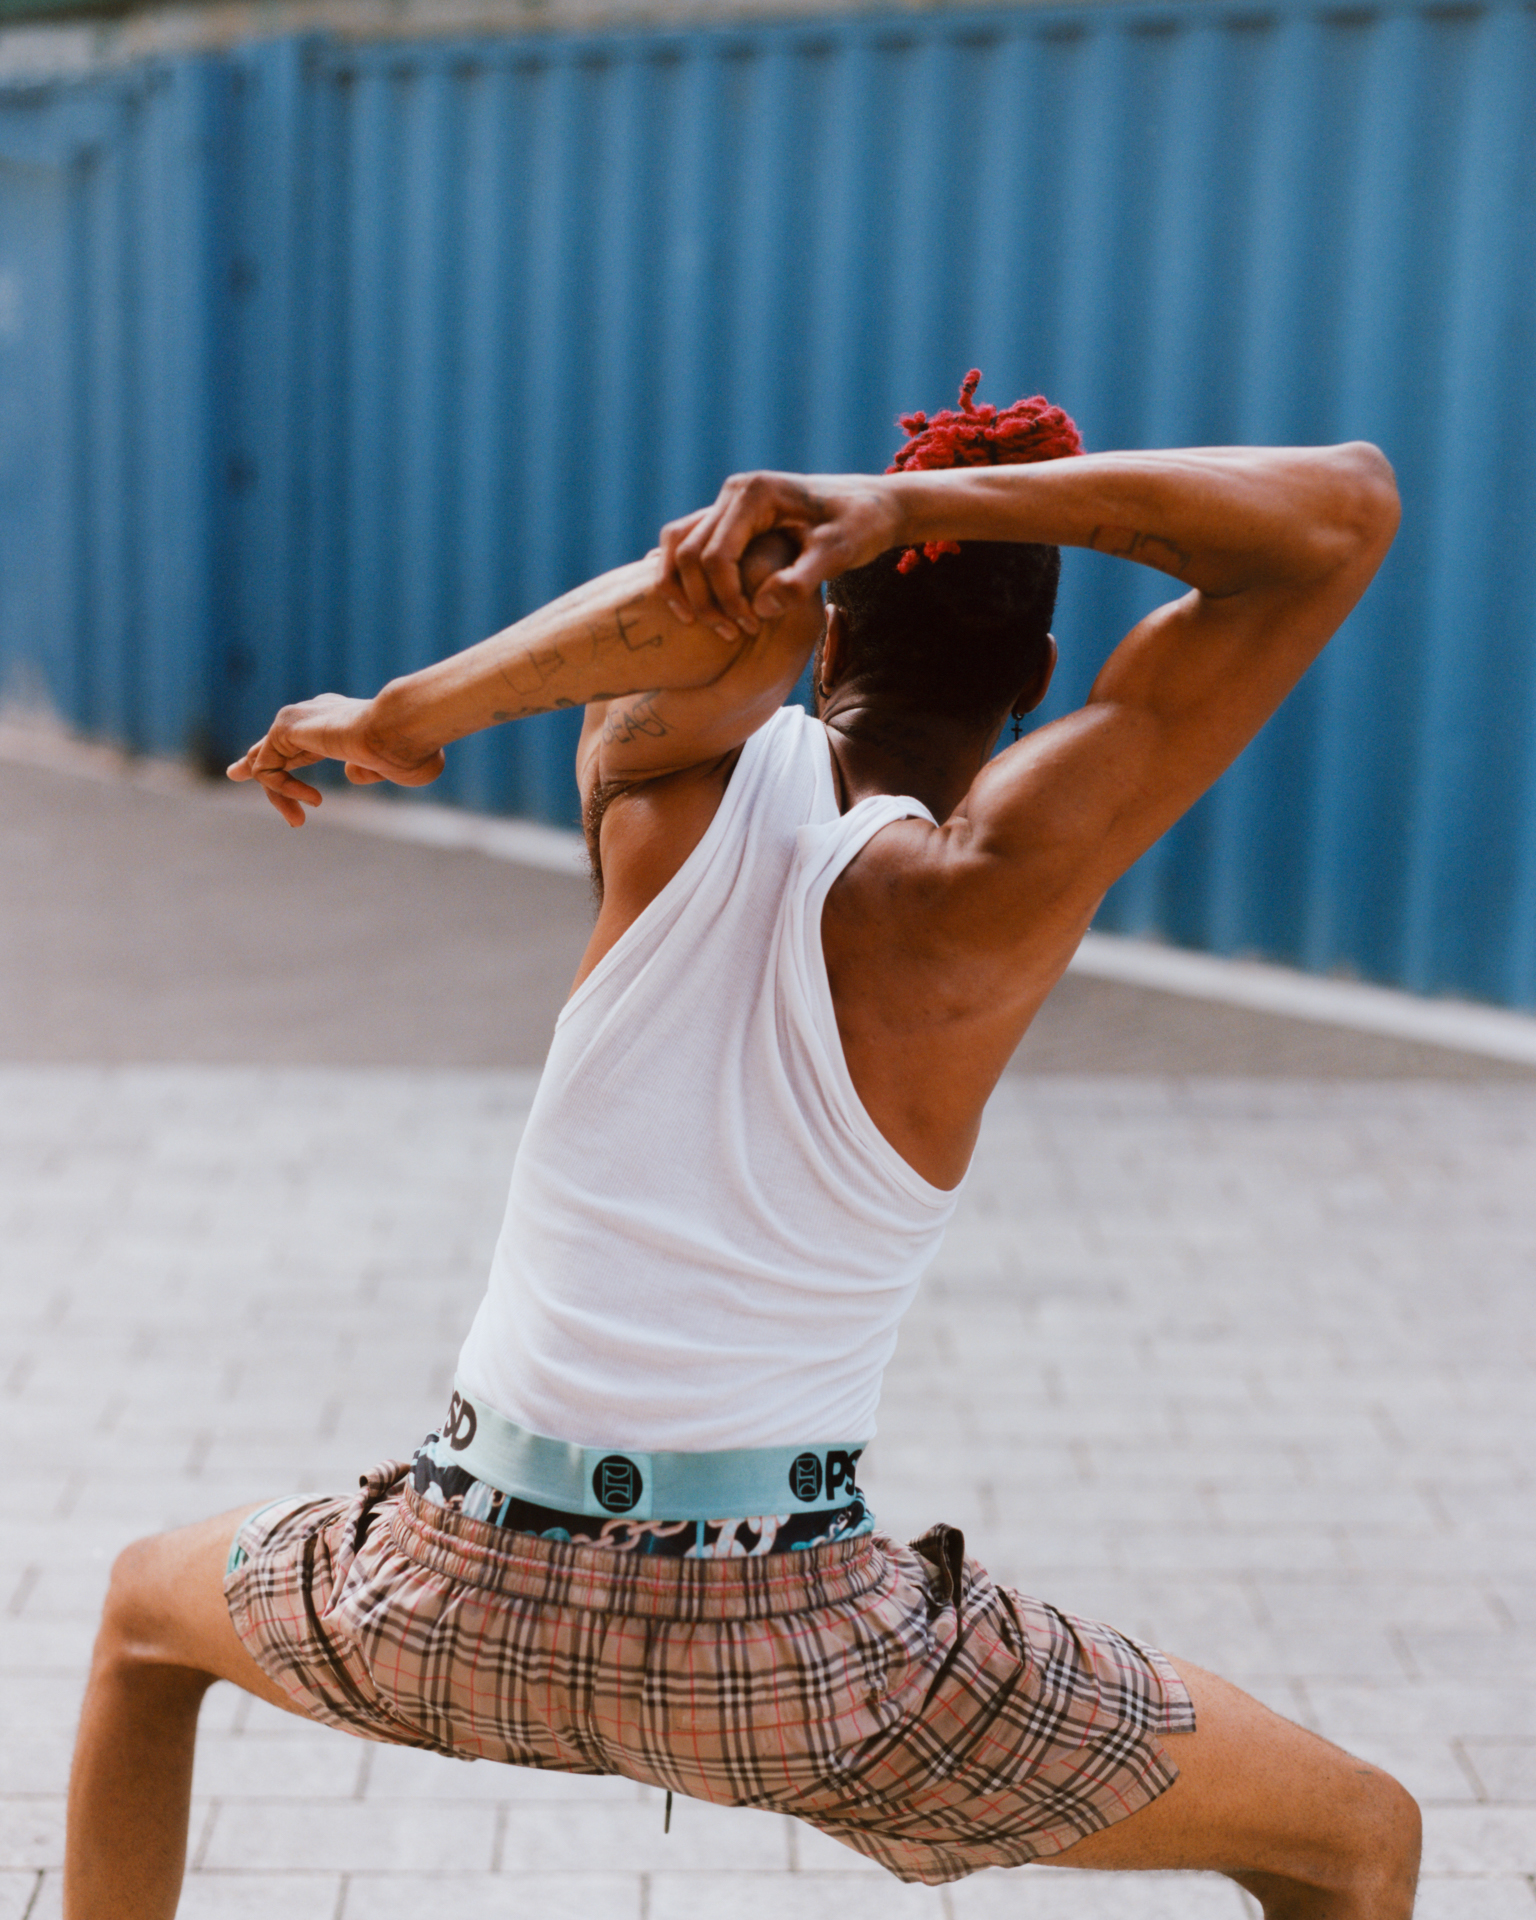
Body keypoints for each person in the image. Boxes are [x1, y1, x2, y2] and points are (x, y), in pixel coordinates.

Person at [64, 374, 1418, 1919]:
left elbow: (694, 606)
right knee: (1356, 1837)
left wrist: (399, 717)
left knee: (136, 1618)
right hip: (796, 1658)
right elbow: (1344, 508)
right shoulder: (998, 877)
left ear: (828, 634)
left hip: (442, 1586)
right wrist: (937, 501)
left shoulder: (653, 790)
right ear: (1039, 671)